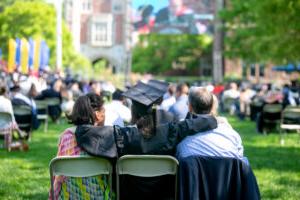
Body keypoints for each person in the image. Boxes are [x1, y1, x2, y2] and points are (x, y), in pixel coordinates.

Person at [73, 81, 217, 200]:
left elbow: (84, 132)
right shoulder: (170, 131)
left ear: (133, 111)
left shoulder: (123, 135)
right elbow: (207, 121)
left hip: (129, 195)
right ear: (155, 110)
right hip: (164, 194)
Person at [50, 93, 112, 200]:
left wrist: (52, 195)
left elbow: (59, 174)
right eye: (103, 112)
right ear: (97, 114)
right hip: (96, 195)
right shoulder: (104, 137)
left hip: (68, 195)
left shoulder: (66, 136)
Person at [176, 87, 247, 163]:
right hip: (227, 174)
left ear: (190, 107)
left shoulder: (180, 134)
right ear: (212, 107)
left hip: (193, 173)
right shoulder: (232, 135)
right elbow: (240, 161)